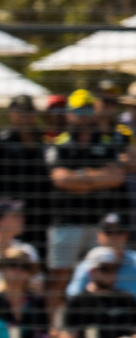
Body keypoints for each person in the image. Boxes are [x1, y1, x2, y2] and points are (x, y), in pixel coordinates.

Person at [46, 89, 127, 307]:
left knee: (103, 276)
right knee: (60, 279)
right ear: (69, 113)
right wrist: (98, 177)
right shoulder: (60, 143)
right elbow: (61, 179)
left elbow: (117, 177)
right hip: (66, 222)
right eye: (78, 109)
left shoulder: (107, 142)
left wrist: (80, 178)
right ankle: (56, 333)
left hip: (99, 225)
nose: (83, 114)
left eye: (88, 108)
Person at [0, 95, 51, 253]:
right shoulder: (1, 141)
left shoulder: (43, 140)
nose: (25, 115)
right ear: (11, 113)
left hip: (40, 211)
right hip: (11, 211)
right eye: (20, 111)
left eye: (28, 111)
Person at [61, 253, 136, 338]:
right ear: (91, 272)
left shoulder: (126, 299)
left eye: (113, 269)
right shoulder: (78, 301)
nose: (110, 273)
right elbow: (64, 334)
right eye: (104, 269)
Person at [64, 214, 136, 298]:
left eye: (119, 232)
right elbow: (73, 295)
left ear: (126, 235)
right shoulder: (88, 265)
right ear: (99, 236)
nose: (114, 237)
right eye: (108, 232)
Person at [0, 248, 49, 338]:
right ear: (3, 269)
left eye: (24, 266)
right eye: (12, 265)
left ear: (29, 272)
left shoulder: (36, 301)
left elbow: (45, 333)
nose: (18, 270)